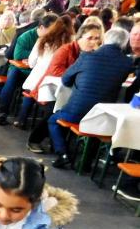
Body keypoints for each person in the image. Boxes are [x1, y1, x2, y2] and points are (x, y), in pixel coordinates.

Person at [49, 28, 134, 169]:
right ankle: (87, 162)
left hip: (77, 111)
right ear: (125, 43)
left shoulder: (87, 56)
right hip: (102, 115)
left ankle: (63, 154)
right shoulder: (127, 63)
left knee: (53, 120)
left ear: (105, 39)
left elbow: (65, 80)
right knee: (97, 128)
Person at [26, 22, 103, 153]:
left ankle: (62, 144)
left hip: (75, 92)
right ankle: (34, 140)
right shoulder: (65, 50)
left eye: (97, 39)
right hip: (49, 90)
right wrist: (79, 76)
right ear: (80, 37)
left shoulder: (95, 55)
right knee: (54, 110)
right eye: (90, 38)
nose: (93, 42)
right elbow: (55, 71)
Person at [0, 13, 58, 126]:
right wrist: (40, 56)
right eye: (52, 30)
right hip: (20, 69)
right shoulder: (26, 36)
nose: (54, 33)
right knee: (12, 79)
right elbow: (18, 55)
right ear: (41, 27)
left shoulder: (53, 40)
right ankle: (2, 113)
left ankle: (25, 119)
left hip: (37, 71)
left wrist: (34, 57)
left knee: (42, 81)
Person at [14, 15, 75, 129]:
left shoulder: (43, 41)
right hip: (59, 83)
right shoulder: (71, 45)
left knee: (30, 90)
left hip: (39, 81)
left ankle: (22, 120)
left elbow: (32, 63)